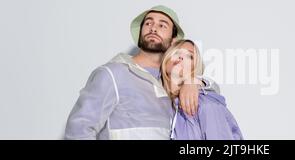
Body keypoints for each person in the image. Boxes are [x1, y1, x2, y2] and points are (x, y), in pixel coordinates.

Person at [64, 5, 218, 140]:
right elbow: (78, 129)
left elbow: (216, 98)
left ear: (173, 40)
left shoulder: (171, 83)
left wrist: (194, 82)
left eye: (162, 25)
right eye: (148, 23)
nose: (153, 28)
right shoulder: (113, 73)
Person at [162, 39, 243, 140]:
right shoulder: (163, 104)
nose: (181, 57)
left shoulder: (206, 104)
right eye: (177, 52)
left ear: (194, 68)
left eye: (190, 56)